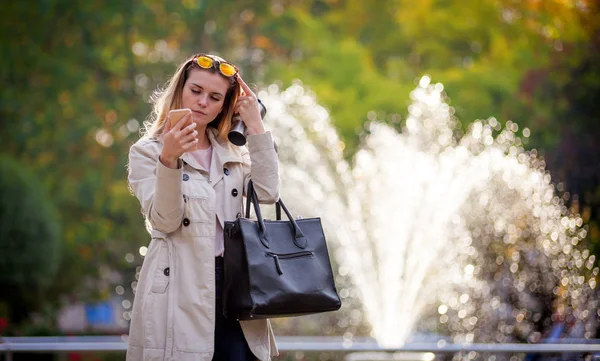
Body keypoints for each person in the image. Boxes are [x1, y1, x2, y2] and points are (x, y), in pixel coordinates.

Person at [126, 53, 280, 361]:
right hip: (179, 284)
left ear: (225, 105)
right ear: (180, 89)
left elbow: (267, 192)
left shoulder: (232, 150)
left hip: (236, 285)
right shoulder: (147, 151)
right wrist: (168, 160)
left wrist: (255, 126)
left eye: (214, 97)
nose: (202, 102)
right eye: (196, 91)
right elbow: (165, 221)